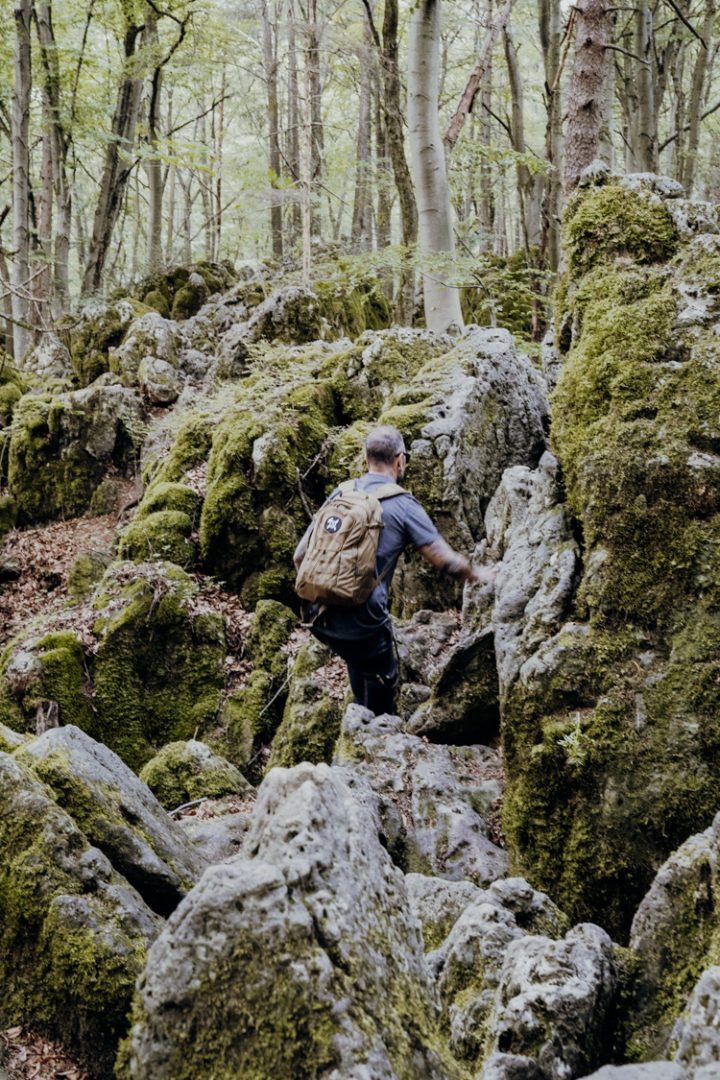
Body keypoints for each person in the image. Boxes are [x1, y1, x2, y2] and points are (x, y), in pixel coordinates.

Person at [293, 424, 494, 716]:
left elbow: (300, 555)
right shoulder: (402, 504)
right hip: (364, 625)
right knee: (381, 679)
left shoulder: (341, 492)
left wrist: (327, 593)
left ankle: (357, 717)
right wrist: (482, 575)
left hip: (320, 618)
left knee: (356, 660)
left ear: (365, 458)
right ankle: (372, 737)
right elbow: (447, 563)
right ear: (400, 460)